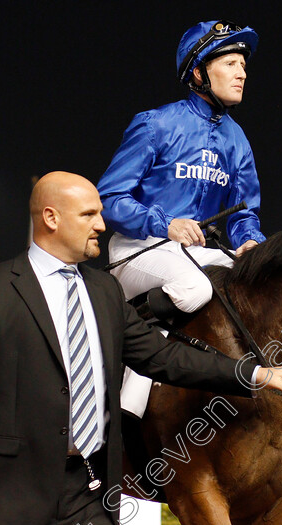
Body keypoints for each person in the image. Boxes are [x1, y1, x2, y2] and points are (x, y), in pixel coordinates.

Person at [0, 172, 282, 525]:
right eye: (88, 215)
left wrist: (257, 375)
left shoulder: (105, 291)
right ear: (51, 218)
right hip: (8, 497)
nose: (101, 224)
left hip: (91, 497)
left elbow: (163, 357)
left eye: (99, 213)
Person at [97, 20, 267, 418]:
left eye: (243, 64)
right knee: (192, 287)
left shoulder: (238, 141)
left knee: (255, 286)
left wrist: (250, 241)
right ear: (198, 72)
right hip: (138, 248)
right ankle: (126, 391)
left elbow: (245, 213)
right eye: (230, 62)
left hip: (197, 254)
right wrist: (164, 223)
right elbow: (108, 199)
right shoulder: (155, 123)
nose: (242, 72)